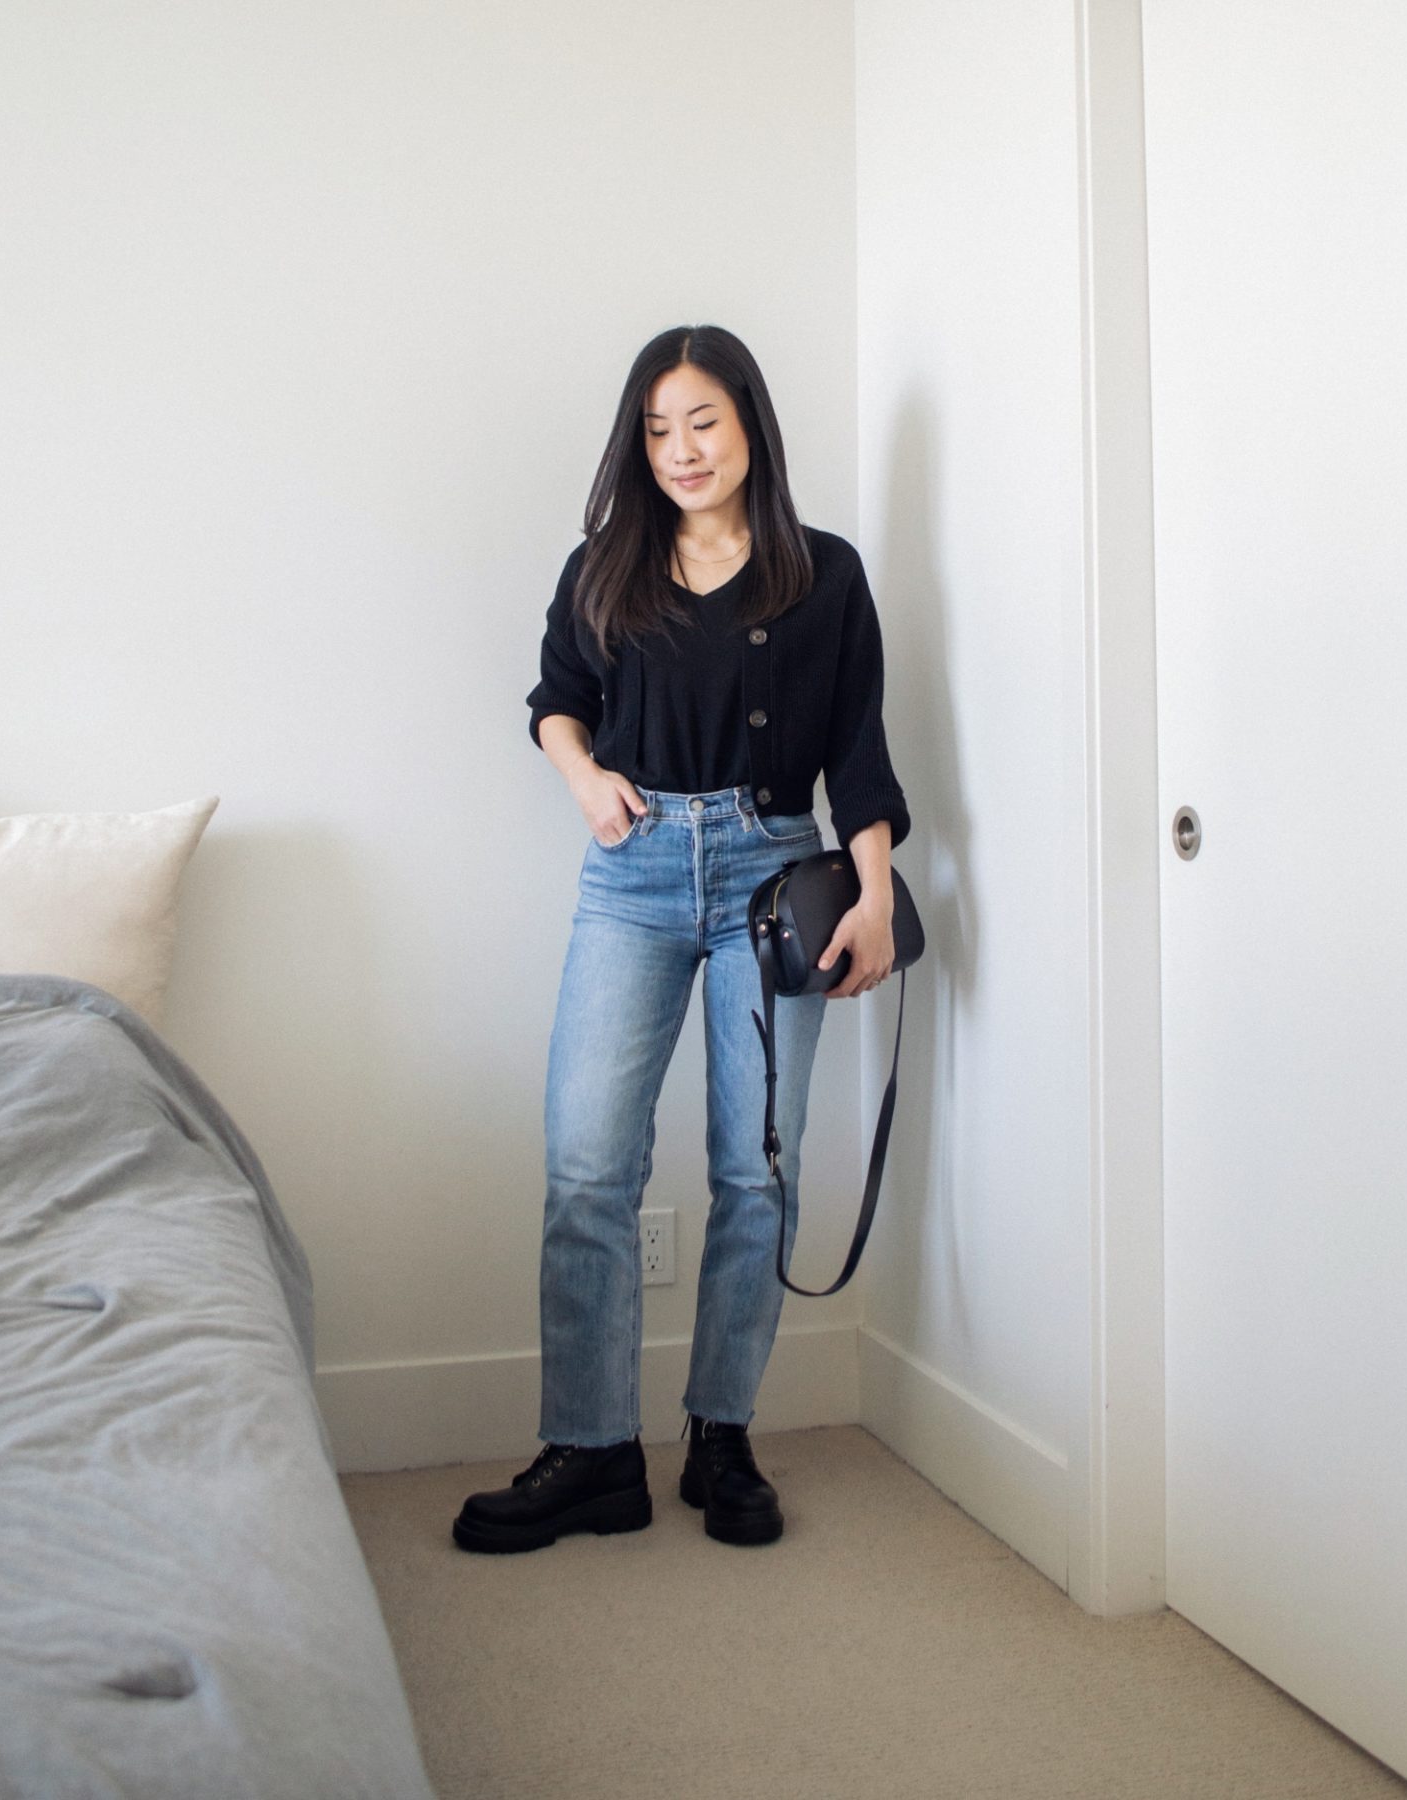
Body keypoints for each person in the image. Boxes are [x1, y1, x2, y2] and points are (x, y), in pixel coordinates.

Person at [452, 325, 909, 1554]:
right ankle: (595, 1450)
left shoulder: (825, 574)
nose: (680, 450)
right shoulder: (608, 564)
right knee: (587, 1164)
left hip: (773, 876)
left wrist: (871, 894)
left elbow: (858, 750)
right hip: (635, 873)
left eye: (701, 420)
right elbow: (556, 698)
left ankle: (722, 1436)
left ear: (749, 420)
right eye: (656, 430)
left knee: (756, 1172)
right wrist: (584, 776)